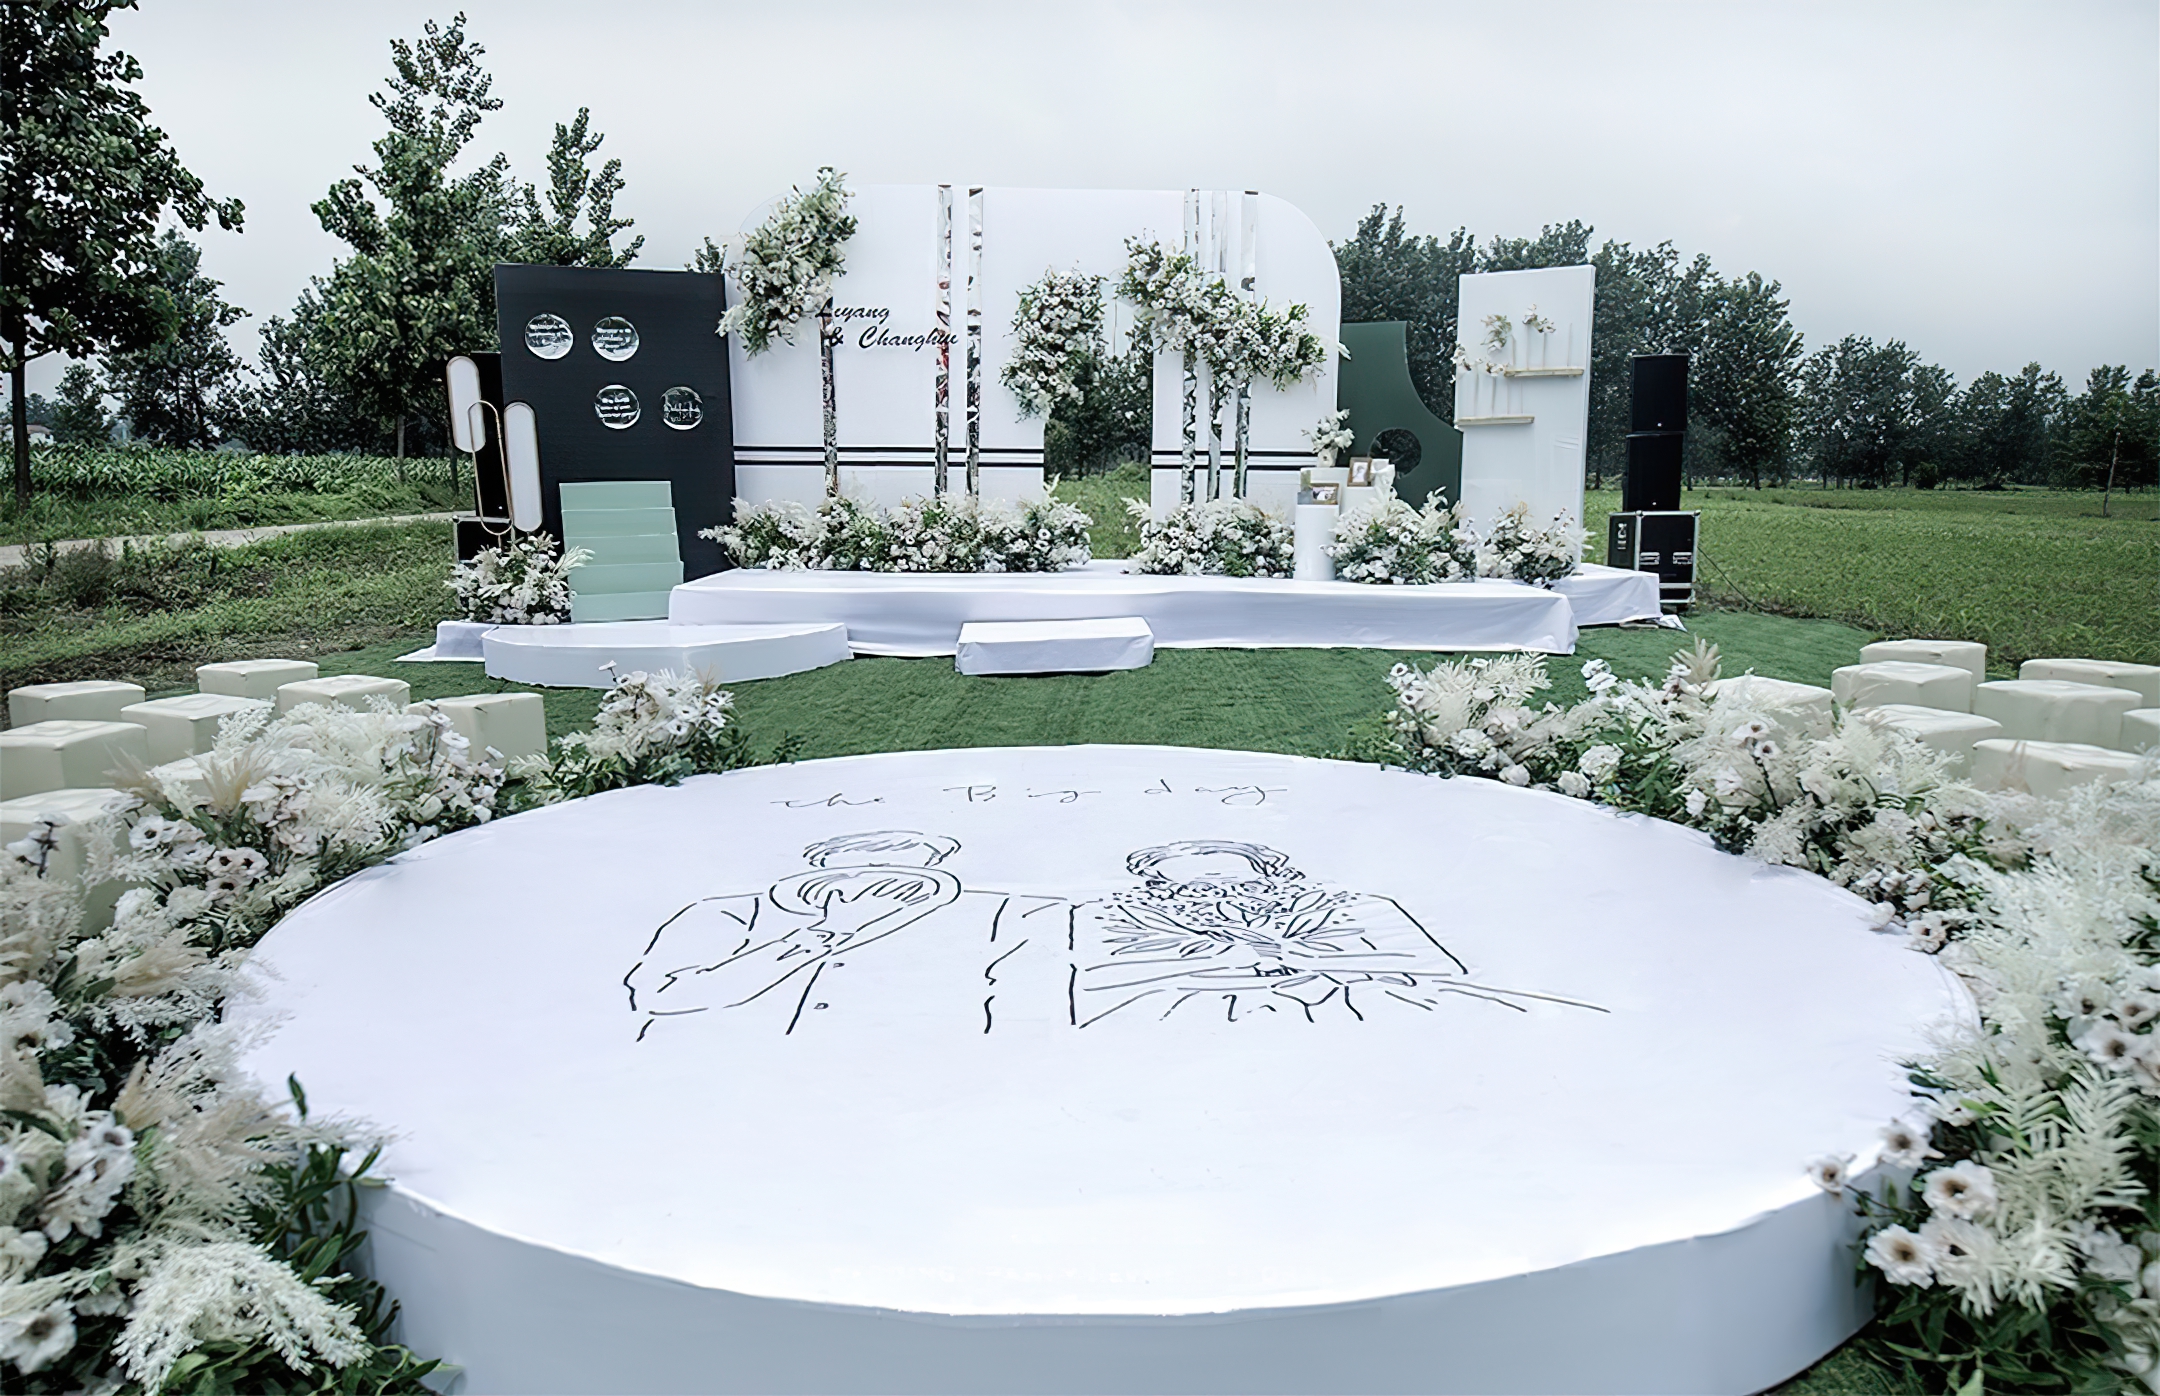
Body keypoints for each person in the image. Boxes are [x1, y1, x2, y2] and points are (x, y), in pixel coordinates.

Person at [625, 831, 1060, 1039]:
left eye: (896, 875)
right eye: (850, 872)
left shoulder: (998, 912)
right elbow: (663, 997)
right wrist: (826, 932)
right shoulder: (730, 912)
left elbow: (1028, 1009)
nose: (871, 883)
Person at [1065, 840, 1477, 1025]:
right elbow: (1097, 979)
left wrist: (1291, 955)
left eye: (1241, 884)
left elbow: (1432, 963)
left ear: (1272, 879)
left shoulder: (1349, 904)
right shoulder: (1112, 914)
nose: (1223, 896)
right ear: (1160, 888)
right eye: (1199, 889)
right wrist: (1240, 959)